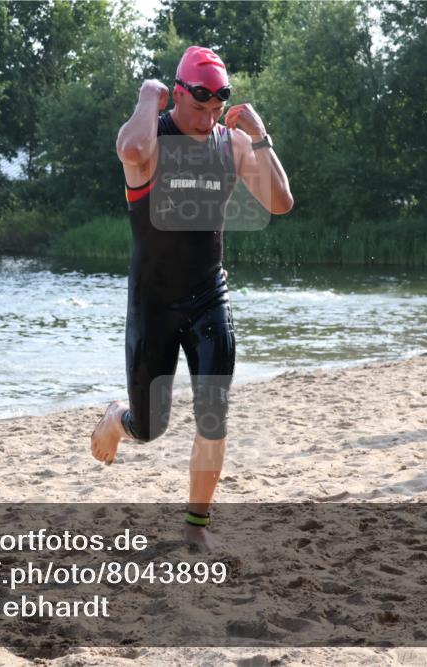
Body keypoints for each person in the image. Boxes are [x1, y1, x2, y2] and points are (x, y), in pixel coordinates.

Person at [91, 46, 293, 550]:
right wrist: (146, 95)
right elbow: (130, 153)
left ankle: (195, 526)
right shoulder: (152, 138)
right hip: (152, 307)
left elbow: (279, 202)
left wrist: (262, 137)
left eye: (214, 111)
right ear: (177, 95)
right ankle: (119, 419)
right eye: (196, 108)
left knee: (213, 414)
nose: (206, 120)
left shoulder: (231, 144)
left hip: (208, 298)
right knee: (150, 428)